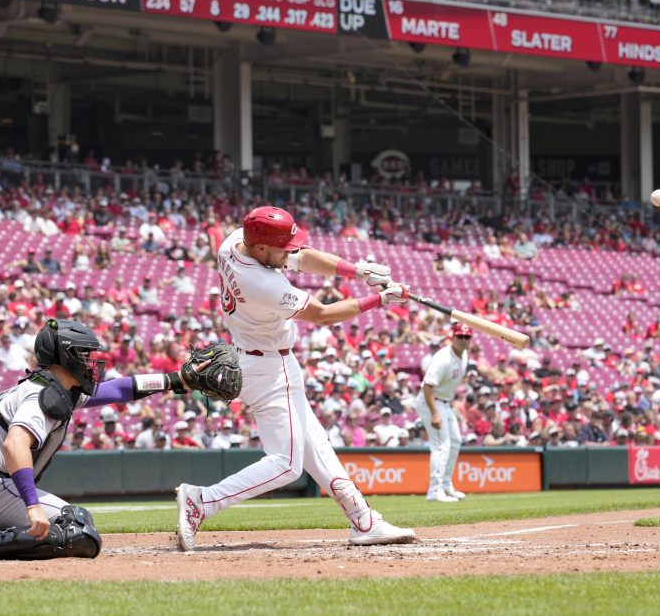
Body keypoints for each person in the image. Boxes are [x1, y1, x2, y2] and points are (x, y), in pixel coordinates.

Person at [175, 206, 416, 551]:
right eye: (280, 247)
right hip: (269, 369)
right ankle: (204, 501)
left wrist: (357, 270)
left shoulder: (233, 243)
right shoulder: (261, 283)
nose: (289, 250)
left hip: (263, 359)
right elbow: (323, 315)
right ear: (260, 248)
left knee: (315, 444)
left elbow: (300, 257)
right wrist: (378, 299)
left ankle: (363, 520)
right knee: (288, 465)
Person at [0, 319, 206, 561]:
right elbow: (14, 444)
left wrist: (175, 379)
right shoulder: (42, 395)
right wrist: (32, 506)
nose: (91, 362)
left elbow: (119, 389)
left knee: (72, 526)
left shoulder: (52, 387)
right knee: (79, 529)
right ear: (67, 357)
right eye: (85, 355)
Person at [417, 323, 471, 503]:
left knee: (456, 441)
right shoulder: (443, 358)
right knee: (442, 445)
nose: (463, 340)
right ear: (452, 337)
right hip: (431, 401)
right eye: (460, 336)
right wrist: (434, 413)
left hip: (445, 402)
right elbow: (428, 386)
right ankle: (434, 490)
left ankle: (446, 485)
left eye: (466, 337)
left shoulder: (464, 355)